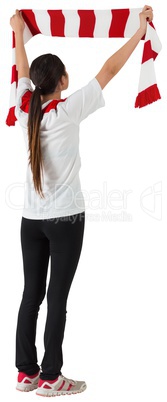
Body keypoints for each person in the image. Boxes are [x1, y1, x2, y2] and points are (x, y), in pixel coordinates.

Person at [10, 6, 153, 397]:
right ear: (63, 81)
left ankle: (26, 373)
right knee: (56, 298)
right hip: (66, 220)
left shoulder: (25, 109)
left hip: (30, 221)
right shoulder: (69, 109)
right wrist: (139, 32)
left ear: (36, 85)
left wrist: (18, 34)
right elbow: (108, 70)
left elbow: (21, 71)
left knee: (31, 295)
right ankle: (52, 377)